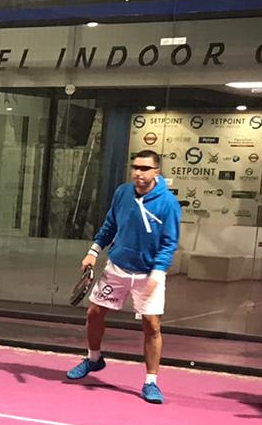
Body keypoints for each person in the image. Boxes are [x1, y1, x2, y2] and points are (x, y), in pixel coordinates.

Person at [65, 149, 182, 403]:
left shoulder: (168, 204)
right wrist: (93, 252)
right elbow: (110, 225)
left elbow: (169, 243)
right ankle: (94, 359)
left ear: (156, 172)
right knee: (94, 313)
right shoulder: (122, 193)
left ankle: (151, 382)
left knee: (152, 326)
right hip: (117, 267)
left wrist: (156, 274)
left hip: (149, 273)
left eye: (145, 168)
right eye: (136, 167)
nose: (139, 173)